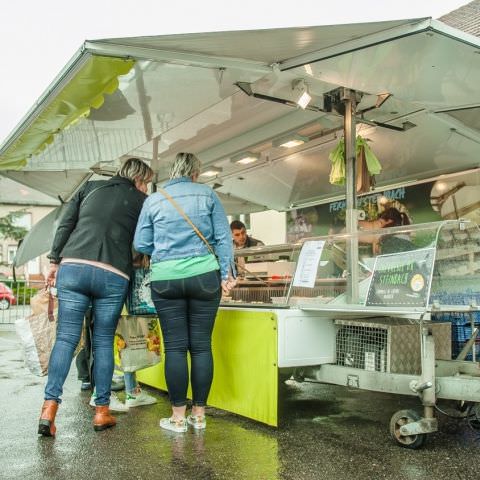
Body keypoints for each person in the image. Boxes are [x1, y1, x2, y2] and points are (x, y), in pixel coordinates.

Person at [38, 157, 154, 437]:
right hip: (113, 273)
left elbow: (65, 224)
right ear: (139, 180)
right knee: (103, 341)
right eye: (146, 183)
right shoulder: (142, 202)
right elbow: (144, 242)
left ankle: (49, 409)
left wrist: (54, 261)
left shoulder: (90, 187)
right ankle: (102, 412)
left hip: (74, 266)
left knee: (65, 338)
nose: (145, 188)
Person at [134, 152, 236, 433]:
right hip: (204, 276)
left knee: (176, 347)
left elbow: (141, 242)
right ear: (195, 172)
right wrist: (228, 274)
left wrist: (166, 253)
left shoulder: (155, 199)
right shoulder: (207, 194)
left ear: (174, 171)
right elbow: (223, 238)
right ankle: (199, 415)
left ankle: (177, 418)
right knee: (201, 345)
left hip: (165, 279)